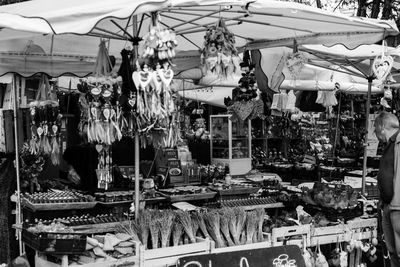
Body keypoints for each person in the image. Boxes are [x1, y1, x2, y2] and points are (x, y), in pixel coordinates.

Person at [374, 111, 400, 267]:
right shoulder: (391, 143)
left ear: (382, 126)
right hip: (389, 205)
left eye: (376, 129)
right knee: (393, 252)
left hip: (398, 205)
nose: (375, 134)